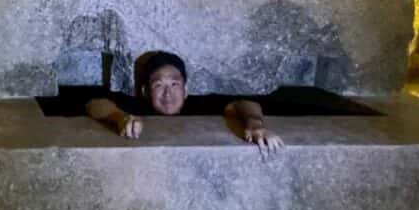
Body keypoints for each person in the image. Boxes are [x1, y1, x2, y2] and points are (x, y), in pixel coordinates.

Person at [85, 51, 283, 154]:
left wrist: (255, 125)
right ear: (146, 91)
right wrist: (119, 118)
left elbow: (244, 103)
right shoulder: (138, 108)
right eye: (158, 85)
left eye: (174, 84)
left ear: (186, 89)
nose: (168, 93)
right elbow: (95, 103)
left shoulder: (199, 107)